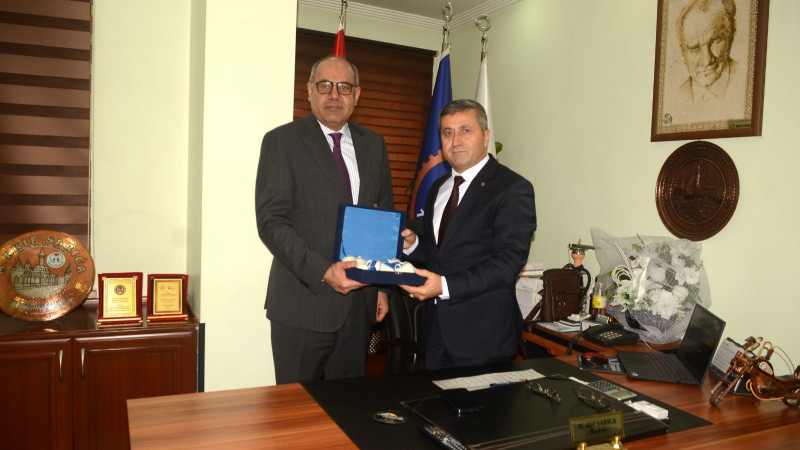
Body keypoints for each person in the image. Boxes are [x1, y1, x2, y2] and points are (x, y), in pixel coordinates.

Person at [255, 55, 394, 384]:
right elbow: (271, 222)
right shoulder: (281, 142)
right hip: (302, 304)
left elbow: (383, 217)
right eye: (325, 85)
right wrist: (322, 271)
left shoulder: (374, 145)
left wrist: (381, 287)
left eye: (344, 86)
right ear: (309, 90)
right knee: (296, 408)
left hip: (358, 307)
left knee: (346, 406)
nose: (334, 94)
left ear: (357, 94)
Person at [399, 99, 537, 370]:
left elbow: (509, 262)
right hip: (436, 333)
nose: (456, 141)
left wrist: (445, 286)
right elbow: (441, 256)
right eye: (447, 133)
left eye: (465, 131)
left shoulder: (512, 188)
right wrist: (414, 245)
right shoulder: (438, 188)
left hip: (484, 337)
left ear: (485, 136)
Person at [671, 0, 745, 121]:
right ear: (682, 53)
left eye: (715, 41)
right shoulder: (674, 98)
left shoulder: (745, 84)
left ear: (731, 35)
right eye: (694, 48)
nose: (707, 60)